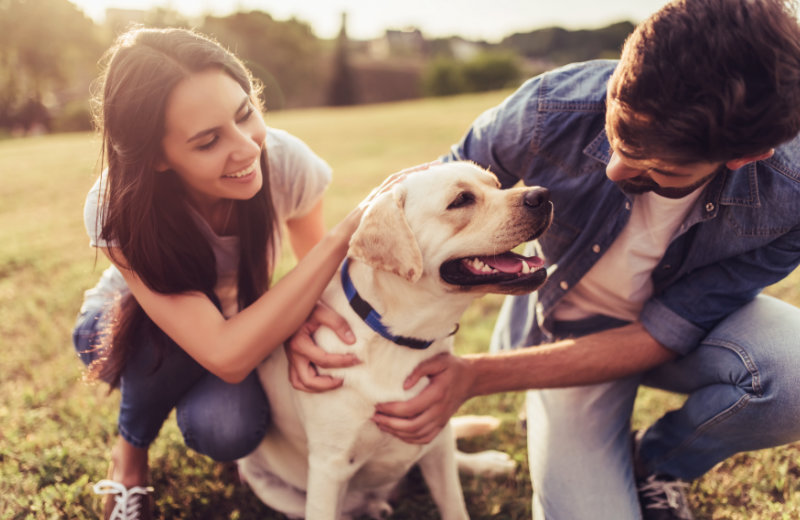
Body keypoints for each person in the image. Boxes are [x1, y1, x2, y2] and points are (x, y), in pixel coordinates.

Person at [286, 1, 800, 518]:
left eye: (653, 166)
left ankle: (655, 462)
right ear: (624, 68)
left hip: (681, 332)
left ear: (743, 157)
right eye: (619, 131)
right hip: (563, 322)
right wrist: (319, 306)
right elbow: (422, 199)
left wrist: (478, 375)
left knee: (795, 374)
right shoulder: (553, 107)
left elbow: (666, 331)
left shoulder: (790, 194)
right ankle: (545, 374)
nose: (616, 169)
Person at [72, 27, 396, 520]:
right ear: (157, 157)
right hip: (125, 333)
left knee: (228, 429)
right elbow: (224, 353)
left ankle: (206, 418)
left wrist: (298, 333)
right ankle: (130, 459)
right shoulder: (116, 206)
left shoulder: (285, 161)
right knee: (176, 337)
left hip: (232, 328)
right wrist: (343, 234)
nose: (247, 148)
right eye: (208, 142)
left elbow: (326, 293)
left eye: (245, 113)